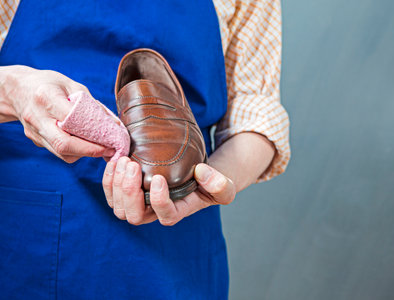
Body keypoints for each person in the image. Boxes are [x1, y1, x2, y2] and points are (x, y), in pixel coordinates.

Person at [0, 0, 290, 299]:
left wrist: (216, 179)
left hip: (177, 229)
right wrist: (12, 91)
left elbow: (255, 106)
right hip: (28, 225)